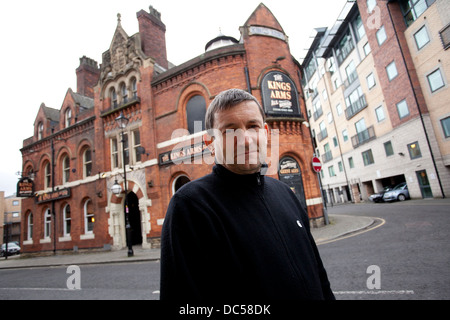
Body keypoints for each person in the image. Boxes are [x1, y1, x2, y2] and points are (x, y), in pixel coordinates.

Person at [160, 88, 334, 301]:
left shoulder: (284, 193)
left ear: (266, 133)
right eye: (229, 130)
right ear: (210, 144)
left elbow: (318, 273)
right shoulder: (190, 206)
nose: (245, 140)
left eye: (253, 126)